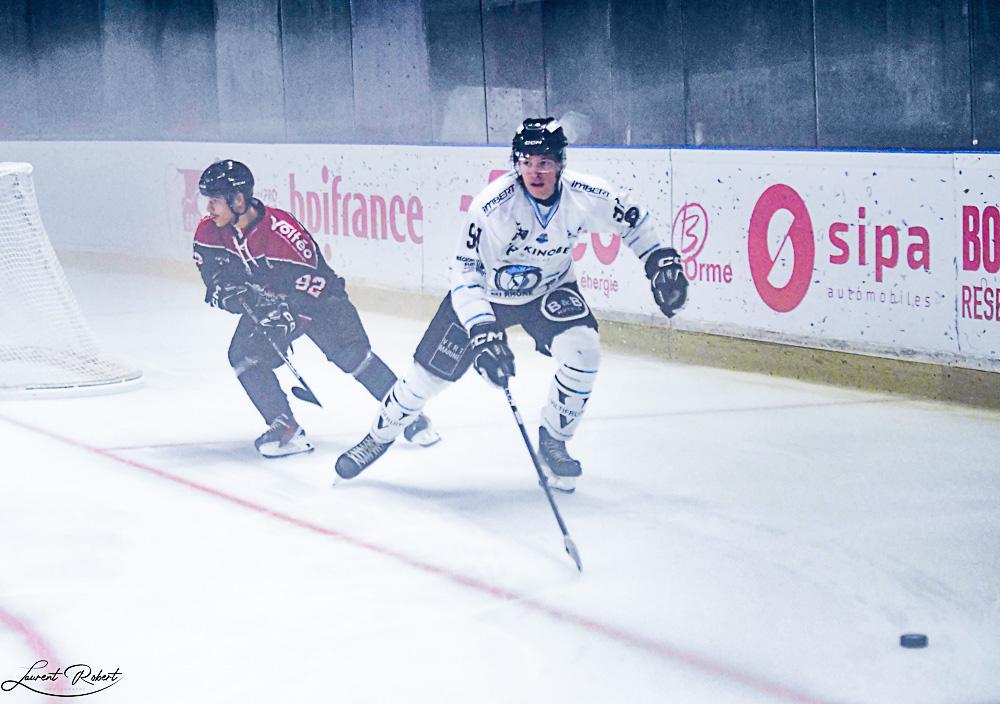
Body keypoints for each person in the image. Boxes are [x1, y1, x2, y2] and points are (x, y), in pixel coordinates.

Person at [334, 118, 688, 491]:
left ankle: (554, 439)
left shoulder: (587, 195)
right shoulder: (491, 207)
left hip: (549, 290)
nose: (535, 172)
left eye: (545, 163)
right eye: (526, 161)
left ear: (560, 164)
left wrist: (659, 261)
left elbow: (635, 223)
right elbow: (466, 274)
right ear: (516, 162)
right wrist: (483, 330)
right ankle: (379, 435)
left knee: (584, 352)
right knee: (424, 381)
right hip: (485, 298)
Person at [192, 159, 439, 457]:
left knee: (353, 357)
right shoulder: (209, 232)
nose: (209, 209)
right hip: (267, 302)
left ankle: (408, 415)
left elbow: (316, 281)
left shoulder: (283, 233)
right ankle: (285, 428)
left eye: (216, 201)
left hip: (320, 301)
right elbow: (215, 283)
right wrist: (236, 297)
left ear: (238, 199)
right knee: (242, 355)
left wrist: (292, 315)